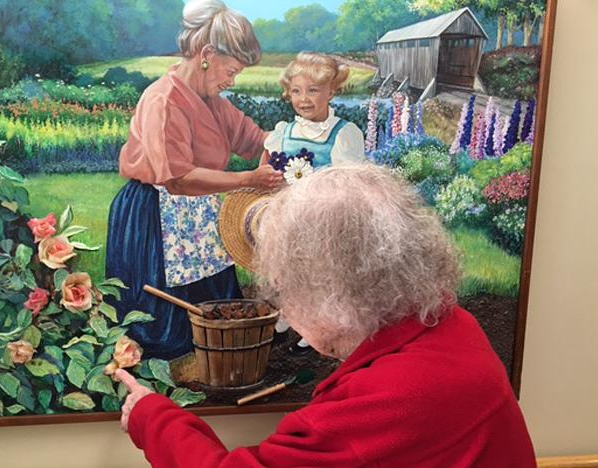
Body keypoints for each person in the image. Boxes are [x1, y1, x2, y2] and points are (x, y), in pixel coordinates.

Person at [115, 164, 537, 467]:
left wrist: (152, 416)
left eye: (282, 288)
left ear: (331, 298)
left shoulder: (385, 402)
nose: (281, 304)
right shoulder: (453, 324)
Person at [105, 0, 284, 360]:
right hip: (153, 215)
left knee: (215, 310)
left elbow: (252, 138)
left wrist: (285, 143)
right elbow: (178, 179)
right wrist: (247, 179)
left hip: (197, 214)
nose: (231, 81)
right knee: (166, 333)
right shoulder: (163, 100)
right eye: (230, 70)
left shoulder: (213, 101)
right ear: (206, 54)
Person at [265, 52, 367, 354]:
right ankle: (288, 315)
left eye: (313, 91)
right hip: (287, 214)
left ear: (331, 92)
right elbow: (269, 167)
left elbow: (349, 182)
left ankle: (317, 326)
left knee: (321, 271)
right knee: (288, 268)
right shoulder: (284, 131)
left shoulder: (343, 133)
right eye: (296, 91)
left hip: (325, 217)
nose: (304, 99)